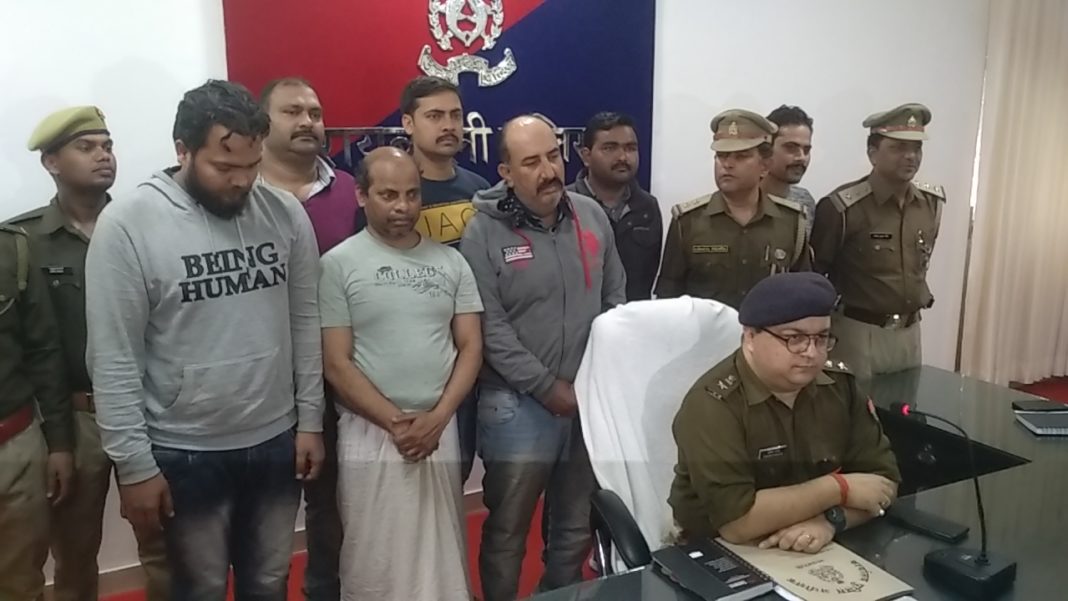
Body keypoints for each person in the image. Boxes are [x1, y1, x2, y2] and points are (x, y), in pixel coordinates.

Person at [85, 80, 326, 601]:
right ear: (183, 150)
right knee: (199, 589)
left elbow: (306, 323)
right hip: (183, 451)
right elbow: (114, 357)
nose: (242, 181)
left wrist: (310, 420)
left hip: (275, 440)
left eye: (252, 165)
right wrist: (134, 466)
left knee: (269, 583)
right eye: (224, 167)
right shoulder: (127, 226)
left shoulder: (284, 214)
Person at [460, 114, 626, 601]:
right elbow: (489, 326)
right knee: (508, 529)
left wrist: (593, 381)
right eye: (531, 162)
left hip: (587, 402)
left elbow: (615, 296)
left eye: (553, 156)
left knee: (574, 526)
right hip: (517, 406)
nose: (548, 171)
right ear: (506, 173)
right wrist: (547, 388)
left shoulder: (591, 215)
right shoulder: (482, 233)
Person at [8, 106, 170, 601]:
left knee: (165, 546)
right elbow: (29, 347)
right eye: (86, 147)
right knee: (74, 554)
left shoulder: (146, 226)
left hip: (149, 410)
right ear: (51, 162)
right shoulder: (24, 242)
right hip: (76, 419)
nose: (104, 156)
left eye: (108, 146)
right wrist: (55, 437)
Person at [320, 147, 484, 601]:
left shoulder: (451, 262)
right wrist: (397, 423)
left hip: (439, 429)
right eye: (389, 194)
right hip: (370, 432)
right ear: (361, 195)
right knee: (374, 556)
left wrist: (438, 418)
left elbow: (471, 347)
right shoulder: (337, 265)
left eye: (412, 194)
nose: (403, 206)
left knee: (441, 556)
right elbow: (336, 363)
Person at [669, 272, 901, 553]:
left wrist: (831, 520)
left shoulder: (840, 387)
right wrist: (838, 488)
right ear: (750, 337)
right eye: (795, 338)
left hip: (816, 540)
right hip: (716, 548)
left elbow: (884, 482)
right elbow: (737, 523)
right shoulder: (712, 405)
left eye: (821, 338)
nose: (811, 352)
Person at [260, 76, 360, 601]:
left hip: (335, 375)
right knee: (265, 514)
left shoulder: (349, 190)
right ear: (263, 122)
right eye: (292, 111)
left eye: (315, 113)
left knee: (331, 506)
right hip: (262, 382)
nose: (307, 122)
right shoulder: (240, 192)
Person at [810, 103, 944, 381]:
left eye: (916, 148)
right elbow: (814, 275)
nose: (910, 156)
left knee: (907, 404)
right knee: (856, 405)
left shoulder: (929, 203)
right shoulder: (842, 208)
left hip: (910, 332)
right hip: (858, 332)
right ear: (872, 153)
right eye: (898, 148)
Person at [400, 75, 490, 485]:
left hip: (468, 357)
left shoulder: (480, 191)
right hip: (411, 358)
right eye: (435, 116)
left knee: (457, 474)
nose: (449, 125)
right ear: (408, 123)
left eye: (455, 115)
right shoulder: (393, 192)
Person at [655, 109, 810, 309]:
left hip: (768, 328)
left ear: (765, 166)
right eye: (721, 155)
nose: (727, 164)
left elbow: (803, 295)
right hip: (707, 329)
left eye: (741, 156)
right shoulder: (688, 222)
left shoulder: (791, 222)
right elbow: (668, 299)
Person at [0, 223, 72, 601]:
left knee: (22, 584)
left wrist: (59, 443)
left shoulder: (13, 250)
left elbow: (44, 351)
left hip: (14, 448)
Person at [568, 111, 662, 301]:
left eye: (630, 148)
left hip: (633, 315)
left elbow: (649, 274)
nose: (622, 157)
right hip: (582, 317)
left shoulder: (647, 206)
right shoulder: (565, 205)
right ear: (586, 156)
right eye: (610, 148)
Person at [763, 105, 816, 235]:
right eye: (791, 147)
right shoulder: (741, 201)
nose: (801, 157)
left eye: (806, 150)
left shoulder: (805, 201)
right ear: (766, 149)